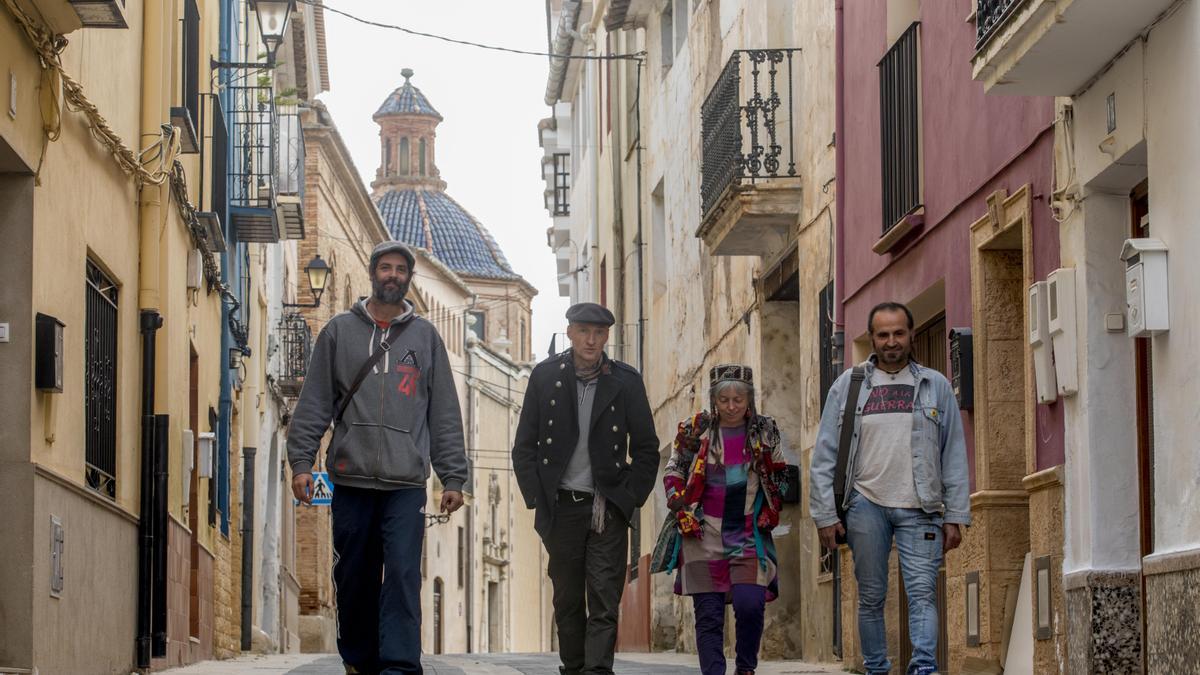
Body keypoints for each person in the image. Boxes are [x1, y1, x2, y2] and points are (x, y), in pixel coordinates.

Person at [288, 240, 469, 675]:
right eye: (385, 268)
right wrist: (301, 462)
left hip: (405, 482)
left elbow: (443, 411)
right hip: (350, 478)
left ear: (408, 278)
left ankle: (401, 665)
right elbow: (314, 402)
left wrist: (454, 477)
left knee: (404, 574)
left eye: (400, 269)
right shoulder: (337, 332)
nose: (393, 275)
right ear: (374, 274)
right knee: (354, 576)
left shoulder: (425, 337)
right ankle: (359, 659)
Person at [810, 302, 970, 675]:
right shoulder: (847, 387)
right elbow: (825, 455)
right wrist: (825, 515)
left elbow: (954, 454)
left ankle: (924, 668)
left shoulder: (935, 385)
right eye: (883, 335)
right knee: (870, 597)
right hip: (865, 504)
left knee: (922, 595)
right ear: (872, 339)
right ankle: (877, 668)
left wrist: (957, 514)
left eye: (898, 333)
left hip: (922, 505)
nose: (891, 341)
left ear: (911, 334)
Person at [512, 302, 659, 675]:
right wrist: (537, 497)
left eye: (598, 333)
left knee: (605, 598)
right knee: (567, 599)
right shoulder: (545, 377)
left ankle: (597, 671)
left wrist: (629, 499)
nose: (591, 340)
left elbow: (645, 449)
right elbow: (524, 446)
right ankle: (574, 667)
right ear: (570, 333)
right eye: (583, 332)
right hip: (560, 507)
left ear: (607, 336)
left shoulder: (625, 381)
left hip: (606, 507)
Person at [663, 364, 790, 675]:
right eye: (724, 400)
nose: (731, 406)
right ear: (713, 401)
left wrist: (772, 506)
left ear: (749, 400)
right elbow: (673, 472)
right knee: (708, 616)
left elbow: (780, 474)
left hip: (746, 534)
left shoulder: (765, 430)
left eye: (739, 399)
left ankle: (745, 667)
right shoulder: (694, 430)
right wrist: (681, 510)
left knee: (750, 604)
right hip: (702, 534)